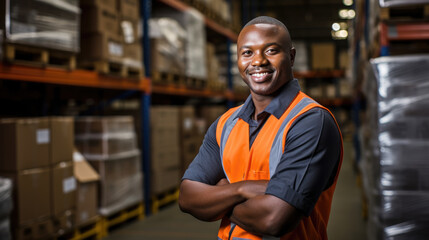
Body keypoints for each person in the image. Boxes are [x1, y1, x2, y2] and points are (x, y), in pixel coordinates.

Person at [179, 16, 343, 240]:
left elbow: (274, 219)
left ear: (291, 57)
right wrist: (241, 189)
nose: (258, 61)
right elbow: (188, 198)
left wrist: (220, 195)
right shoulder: (225, 124)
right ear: (238, 60)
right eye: (247, 53)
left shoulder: (311, 122)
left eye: (271, 51)